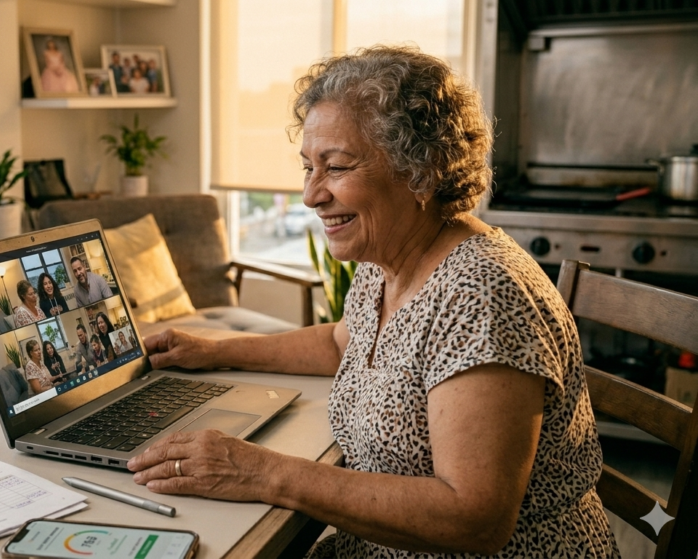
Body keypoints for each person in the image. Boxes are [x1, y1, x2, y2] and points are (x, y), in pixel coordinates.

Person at [128, 46, 619, 558]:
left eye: (336, 167)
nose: (311, 195)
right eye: (308, 168)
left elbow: (474, 519)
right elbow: (341, 344)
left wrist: (263, 472)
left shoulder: (482, 295)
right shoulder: (386, 257)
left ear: (421, 172)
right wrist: (211, 350)